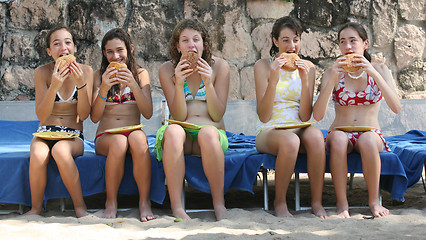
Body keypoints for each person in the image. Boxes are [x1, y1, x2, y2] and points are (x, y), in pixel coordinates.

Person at [313, 22, 401, 218]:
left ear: (365, 43)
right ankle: (342, 203)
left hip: (371, 133)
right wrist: (332, 81)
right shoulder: (332, 71)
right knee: (337, 139)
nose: (348, 47)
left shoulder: (379, 69)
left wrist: (373, 73)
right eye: (343, 42)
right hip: (340, 131)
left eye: (353, 41)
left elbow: (396, 107)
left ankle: (374, 201)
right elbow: (317, 115)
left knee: (367, 140)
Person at [156, 19, 230, 221]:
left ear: (203, 43)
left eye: (196, 39)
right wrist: (179, 84)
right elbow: (178, 116)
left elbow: (217, 114)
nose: (191, 45)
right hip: (181, 135)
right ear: (178, 46)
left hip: (210, 134)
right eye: (185, 40)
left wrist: (209, 82)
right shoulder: (167, 70)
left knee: (207, 133)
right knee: (172, 131)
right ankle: (177, 207)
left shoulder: (220, 67)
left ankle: (219, 204)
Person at [254, 16, 327, 219]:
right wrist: (274, 79)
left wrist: (304, 81)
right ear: (275, 42)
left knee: (316, 137)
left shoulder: (309, 68)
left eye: (296, 39)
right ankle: (280, 203)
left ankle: (317, 202)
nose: (292, 45)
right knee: (290, 140)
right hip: (270, 129)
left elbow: (305, 115)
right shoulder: (263, 66)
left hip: (300, 124)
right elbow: (264, 115)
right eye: (285, 40)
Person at [26, 26, 93, 218]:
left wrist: (81, 85)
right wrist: (54, 85)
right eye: (56, 44)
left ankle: (80, 208)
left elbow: (84, 114)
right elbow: (41, 114)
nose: (63, 47)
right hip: (45, 131)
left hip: (73, 135)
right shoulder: (42, 72)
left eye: (67, 42)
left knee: (60, 150)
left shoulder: (86, 72)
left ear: (74, 48)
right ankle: (36, 209)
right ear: (49, 51)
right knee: (38, 154)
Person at [90, 28, 154, 221]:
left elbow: (148, 113)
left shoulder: (141, 74)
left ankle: (144, 202)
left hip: (133, 131)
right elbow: (94, 117)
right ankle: (111, 202)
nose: (115, 56)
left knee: (139, 138)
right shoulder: (98, 75)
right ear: (104, 54)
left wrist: (133, 84)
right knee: (118, 141)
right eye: (110, 52)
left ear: (130, 49)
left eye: (120, 50)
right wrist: (104, 87)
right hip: (106, 138)